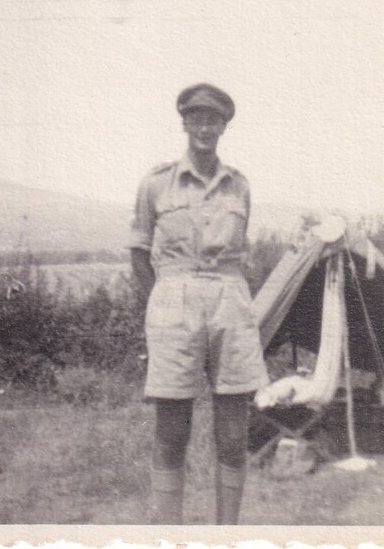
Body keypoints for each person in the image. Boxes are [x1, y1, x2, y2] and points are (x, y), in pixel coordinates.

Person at [129, 83, 268, 525]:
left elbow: (238, 253)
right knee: (172, 432)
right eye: (197, 118)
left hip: (230, 305)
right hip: (174, 304)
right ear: (184, 123)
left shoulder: (240, 186)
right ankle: (170, 535)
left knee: (232, 434)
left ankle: (225, 533)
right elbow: (139, 252)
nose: (204, 127)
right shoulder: (155, 183)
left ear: (224, 126)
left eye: (214, 120)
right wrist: (164, 305)